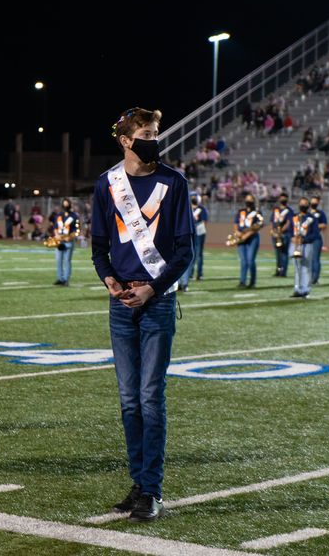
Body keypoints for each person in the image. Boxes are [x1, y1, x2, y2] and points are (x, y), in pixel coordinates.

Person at [91, 107, 193, 523]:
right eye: (147, 133)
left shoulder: (174, 181)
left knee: (151, 398)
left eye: (156, 132)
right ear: (126, 140)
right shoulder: (107, 184)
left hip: (158, 300)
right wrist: (110, 281)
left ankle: (152, 488)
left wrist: (154, 287)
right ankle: (137, 482)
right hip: (121, 305)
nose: (155, 138)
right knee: (129, 401)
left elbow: (186, 249)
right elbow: (99, 246)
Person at [290, 197, 318, 298]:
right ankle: (297, 288)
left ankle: (306, 289)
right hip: (295, 244)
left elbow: (315, 234)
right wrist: (292, 238)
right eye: (301, 203)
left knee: (306, 268)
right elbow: (290, 230)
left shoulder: (312, 218)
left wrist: (304, 240)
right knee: (297, 268)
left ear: (308, 205)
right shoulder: (294, 217)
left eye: (305, 203)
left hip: (307, 244)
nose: (303, 205)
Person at [234, 193, 263, 288]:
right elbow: (236, 223)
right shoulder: (241, 211)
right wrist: (237, 232)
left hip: (252, 238)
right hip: (241, 237)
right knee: (243, 261)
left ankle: (252, 281)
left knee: (250, 260)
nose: (248, 201)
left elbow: (259, 225)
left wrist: (247, 234)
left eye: (250, 199)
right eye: (247, 199)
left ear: (254, 201)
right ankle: (242, 281)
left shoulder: (257, 212)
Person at [53, 198, 81, 286]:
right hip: (59, 240)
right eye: (64, 204)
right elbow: (55, 228)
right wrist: (56, 235)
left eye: (67, 204)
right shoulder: (58, 215)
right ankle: (60, 278)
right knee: (58, 260)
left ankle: (66, 279)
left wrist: (70, 237)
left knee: (67, 260)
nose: (65, 206)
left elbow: (77, 230)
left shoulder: (74, 216)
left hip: (68, 241)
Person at [271, 193, 293, 277]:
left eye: (284, 198)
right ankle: (278, 270)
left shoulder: (289, 210)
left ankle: (283, 272)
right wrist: (273, 231)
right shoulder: (276, 210)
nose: (282, 200)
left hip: (285, 234)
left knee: (284, 253)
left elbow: (289, 222)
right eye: (281, 198)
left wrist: (280, 231)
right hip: (276, 235)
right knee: (278, 254)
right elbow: (272, 221)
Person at [309, 196, 327, 284]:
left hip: (316, 238)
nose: (313, 203)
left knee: (315, 258)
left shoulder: (321, 213)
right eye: (312, 202)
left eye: (315, 202)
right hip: (307, 238)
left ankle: (315, 278)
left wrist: (313, 226)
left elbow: (324, 225)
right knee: (308, 259)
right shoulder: (307, 213)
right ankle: (309, 276)